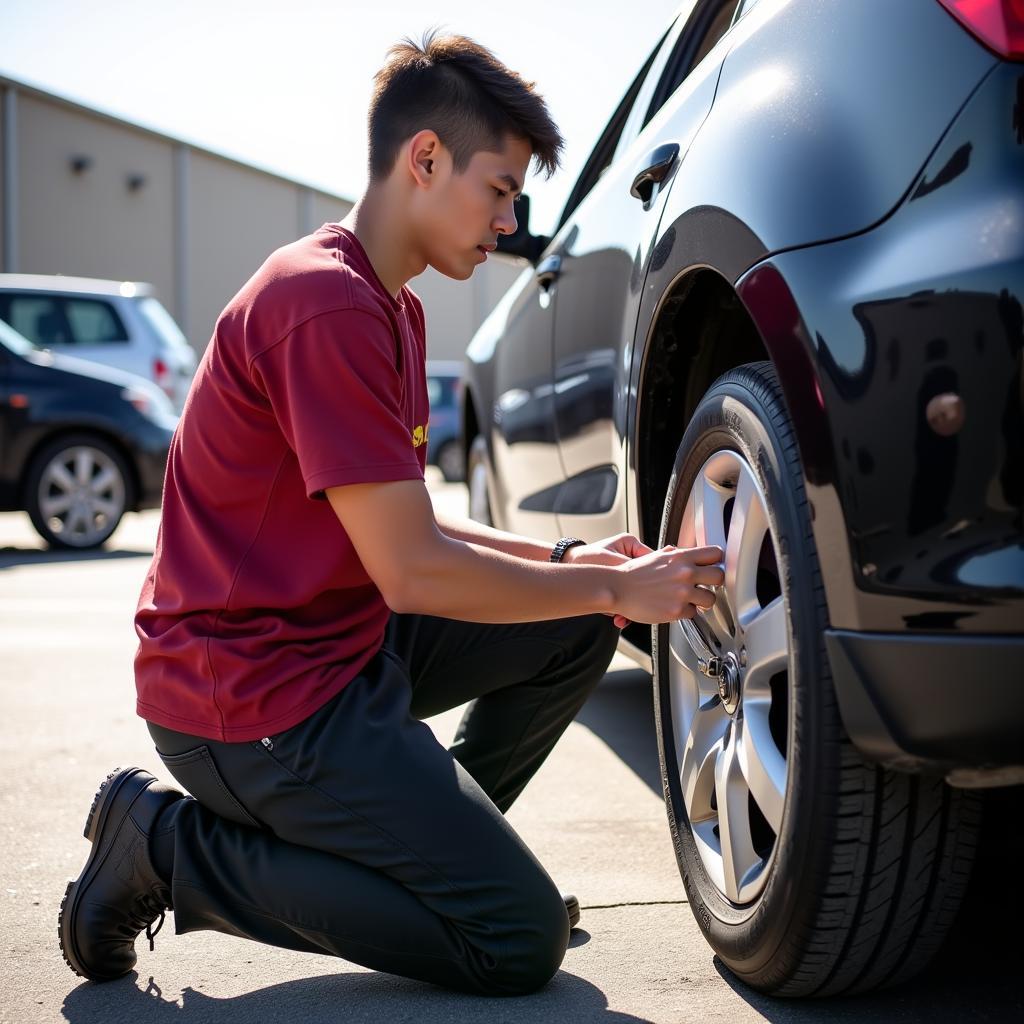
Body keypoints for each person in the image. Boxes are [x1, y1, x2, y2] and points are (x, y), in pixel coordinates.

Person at [57, 31, 723, 996]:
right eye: (499, 189)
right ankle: (165, 849)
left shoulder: (391, 308)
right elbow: (413, 570)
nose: (509, 218)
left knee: (580, 614)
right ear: (424, 159)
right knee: (512, 943)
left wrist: (578, 564)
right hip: (247, 696)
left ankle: (444, 869)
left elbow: (415, 533)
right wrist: (615, 577)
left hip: (334, 649)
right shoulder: (321, 304)